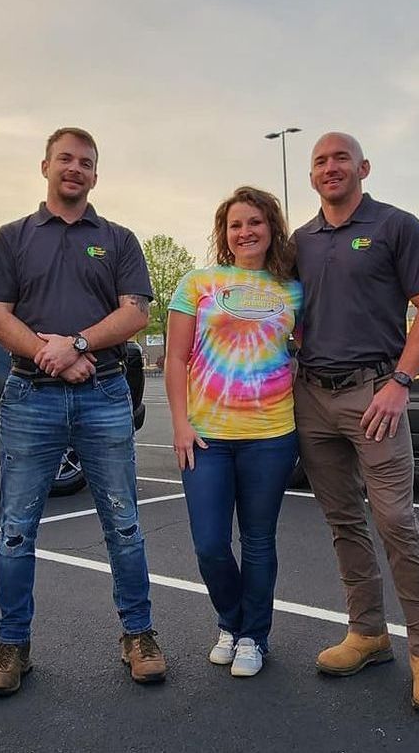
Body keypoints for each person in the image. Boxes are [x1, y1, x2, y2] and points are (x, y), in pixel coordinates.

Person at [0, 126, 166, 694]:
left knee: (125, 524)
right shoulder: (12, 238)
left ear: (95, 174)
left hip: (105, 394)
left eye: (86, 162)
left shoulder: (117, 239)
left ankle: (138, 634)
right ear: (44, 166)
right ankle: (13, 644)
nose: (75, 169)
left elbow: (135, 313)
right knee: (16, 530)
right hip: (29, 398)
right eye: (66, 158)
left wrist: (77, 344)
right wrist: (48, 353)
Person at [291, 132, 419, 713]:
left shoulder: (395, 225)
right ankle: (367, 633)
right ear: (311, 176)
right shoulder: (300, 241)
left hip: (374, 393)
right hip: (311, 396)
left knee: (395, 521)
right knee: (342, 522)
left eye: (340, 158)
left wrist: (399, 383)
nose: (330, 168)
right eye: (320, 161)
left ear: (363, 166)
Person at [164, 186, 302, 677]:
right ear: (225, 233)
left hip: (271, 434)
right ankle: (232, 620)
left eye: (255, 223)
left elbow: (301, 350)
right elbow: (176, 358)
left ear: (271, 229)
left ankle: (253, 638)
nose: (245, 232)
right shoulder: (198, 282)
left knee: (259, 541)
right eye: (236, 224)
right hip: (206, 437)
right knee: (209, 544)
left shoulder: (293, 289)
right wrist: (180, 424)